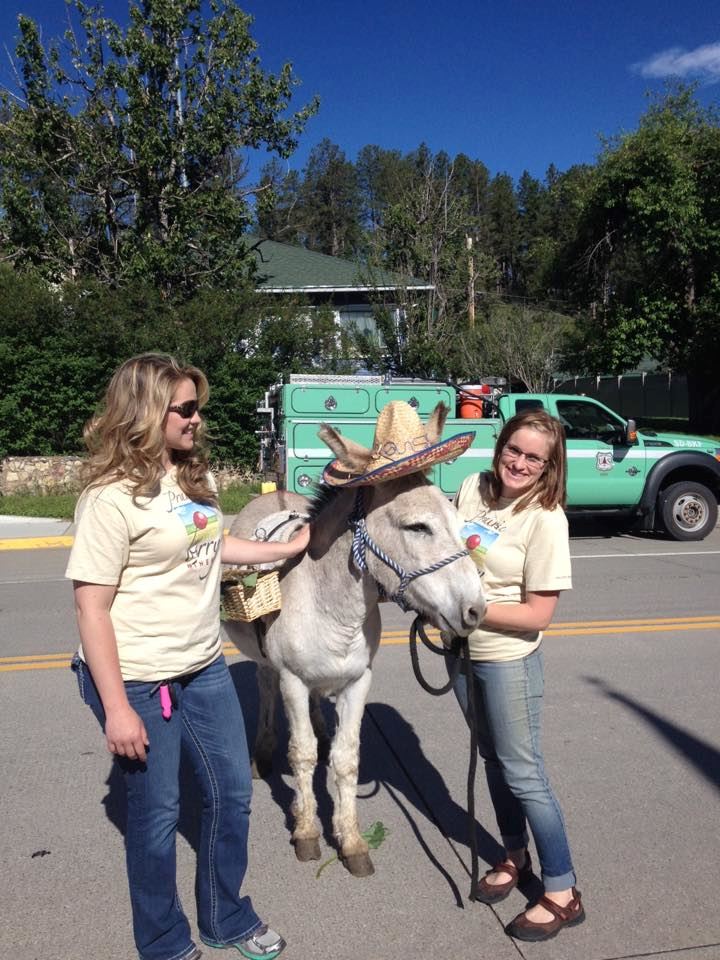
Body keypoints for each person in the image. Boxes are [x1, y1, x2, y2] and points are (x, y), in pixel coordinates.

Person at [66, 353, 310, 960]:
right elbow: (91, 609)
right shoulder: (109, 499)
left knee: (233, 794)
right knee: (157, 817)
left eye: (197, 406)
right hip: (137, 679)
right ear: (147, 412)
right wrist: (117, 709)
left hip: (202, 667)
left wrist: (288, 547)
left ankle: (226, 917)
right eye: (186, 408)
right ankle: (163, 942)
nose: (197, 418)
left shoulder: (190, 477)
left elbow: (213, 543)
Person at [448, 408, 585, 943]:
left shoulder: (545, 518)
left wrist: (469, 607)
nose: (520, 463)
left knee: (523, 772)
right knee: (492, 759)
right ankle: (514, 854)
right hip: (460, 652)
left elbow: (538, 614)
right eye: (514, 449)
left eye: (534, 458)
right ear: (500, 445)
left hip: (508, 659)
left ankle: (563, 890)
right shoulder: (472, 489)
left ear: (550, 466)